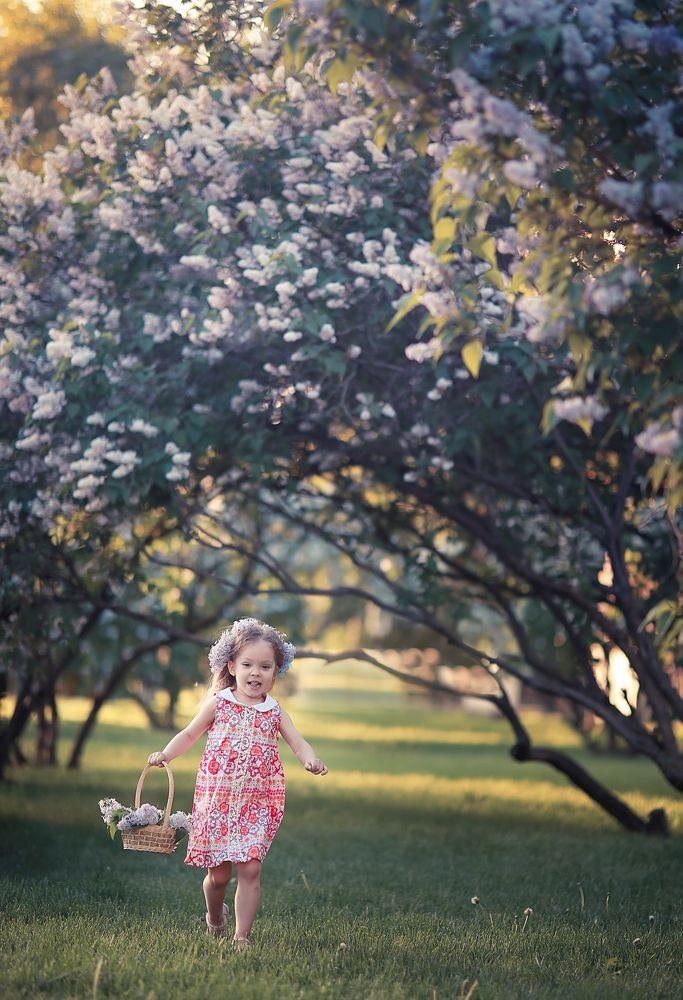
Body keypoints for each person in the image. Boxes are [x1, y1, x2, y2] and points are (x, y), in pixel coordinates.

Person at [147, 617, 328, 948]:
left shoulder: (274, 711)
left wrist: (310, 759)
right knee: (218, 877)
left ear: (277, 672)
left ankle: (241, 937)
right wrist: (167, 754)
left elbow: (298, 742)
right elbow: (189, 733)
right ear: (231, 666)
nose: (255, 673)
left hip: (257, 803)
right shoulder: (220, 703)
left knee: (251, 869)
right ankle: (215, 917)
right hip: (217, 802)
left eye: (265, 666)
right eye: (247, 664)